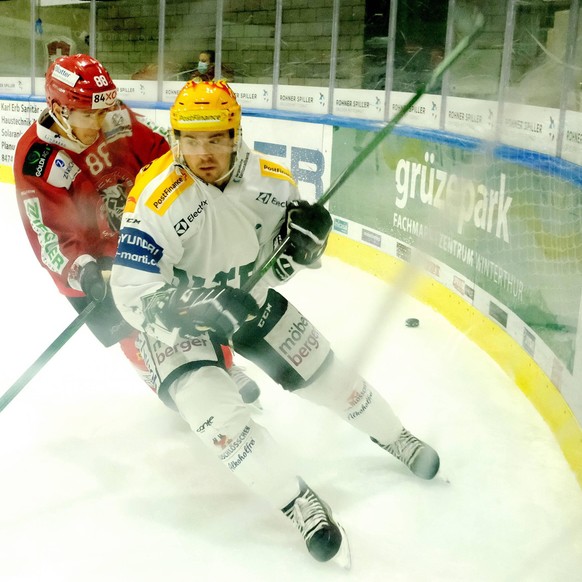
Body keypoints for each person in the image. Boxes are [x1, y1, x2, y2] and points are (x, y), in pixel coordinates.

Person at [110, 80, 440, 568]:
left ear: (236, 133)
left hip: (249, 298)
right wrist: (195, 304)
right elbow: (132, 295)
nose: (204, 153)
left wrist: (308, 246)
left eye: (217, 138)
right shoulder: (154, 198)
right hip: (181, 324)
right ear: (175, 137)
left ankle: (395, 435)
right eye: (191, 140)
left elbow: (283, 259)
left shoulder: (272, 181)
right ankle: (298, 502)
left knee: (329, 378)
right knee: (220, 421)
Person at [12, 54, 255, 400]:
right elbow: (48, 236)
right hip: (97, 267)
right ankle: (172, 382)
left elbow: (161, 150)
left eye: (103, 110)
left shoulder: (113, 117)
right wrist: (85, 271)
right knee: (135, 331)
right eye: (87, 114)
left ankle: (225, 365)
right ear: (59, 110)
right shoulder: (38, 159)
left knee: (184, 302)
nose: (99, 122)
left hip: (143, 238)